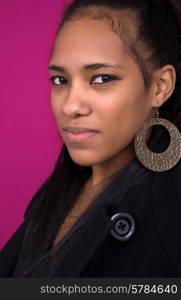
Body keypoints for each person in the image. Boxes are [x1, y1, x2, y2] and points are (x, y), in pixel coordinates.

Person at [0, 0, 181, 277]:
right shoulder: (58, 190)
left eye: (101, 78)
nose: (71, 106)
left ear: (160, 87)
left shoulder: (169, 207)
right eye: (60, 80)